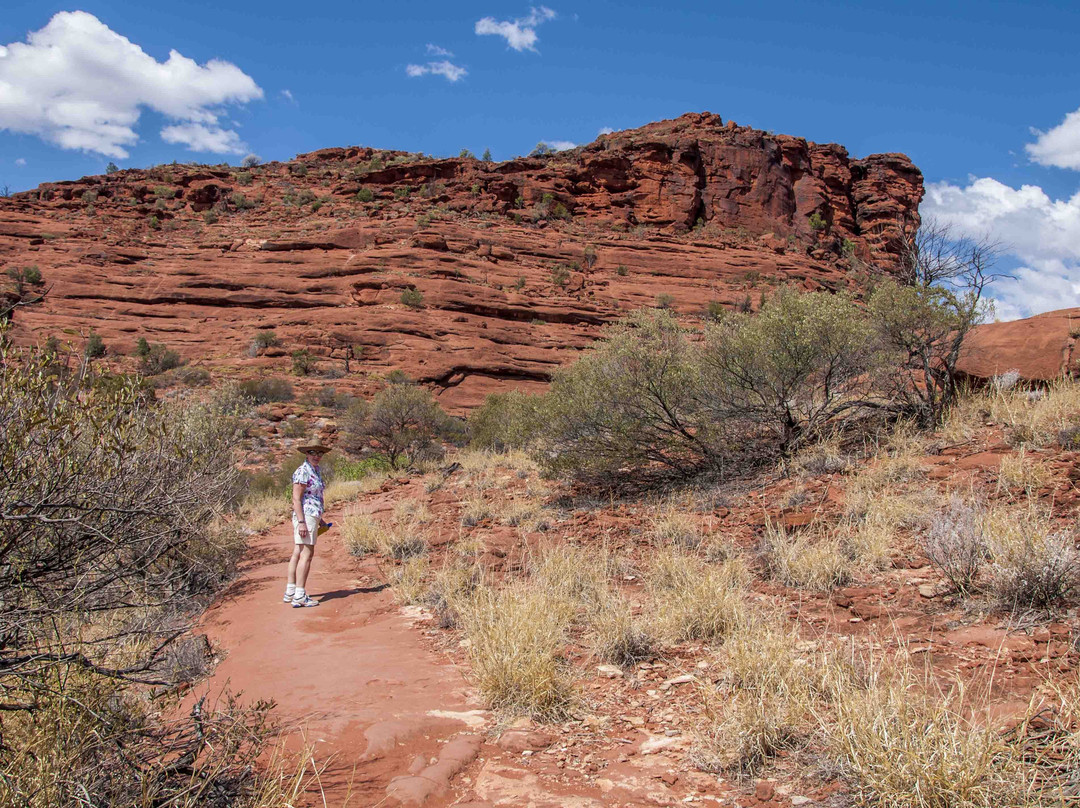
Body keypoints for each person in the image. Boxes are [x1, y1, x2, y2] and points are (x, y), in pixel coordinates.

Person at [285, 441, 331, 607]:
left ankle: (291, 591)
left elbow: (313, 498)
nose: (317, 456)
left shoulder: (314, 470)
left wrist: (320, 520)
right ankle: (299, 595)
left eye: (320, 453)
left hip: (311, 516)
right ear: (307, 453)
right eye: (313, 452)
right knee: (307, 554)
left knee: (298, 551)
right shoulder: (303, 471)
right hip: (305, 517)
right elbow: (296, 499)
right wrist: (302, 522)